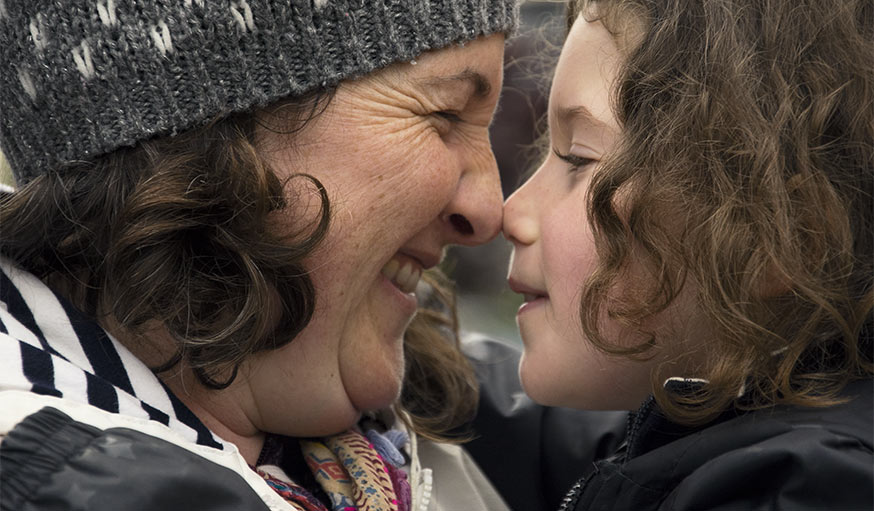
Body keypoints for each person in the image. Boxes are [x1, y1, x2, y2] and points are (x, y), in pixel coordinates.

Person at [0, 1, 519, 510]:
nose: (488, 212)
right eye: (445, 115)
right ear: (207, 135)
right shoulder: (50, 480)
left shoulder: (450, 411)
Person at [499, 0, 874, 509]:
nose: (510, 211)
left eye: (579, 158)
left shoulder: (794, 488)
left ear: (779, 239)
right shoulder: (728, 440)